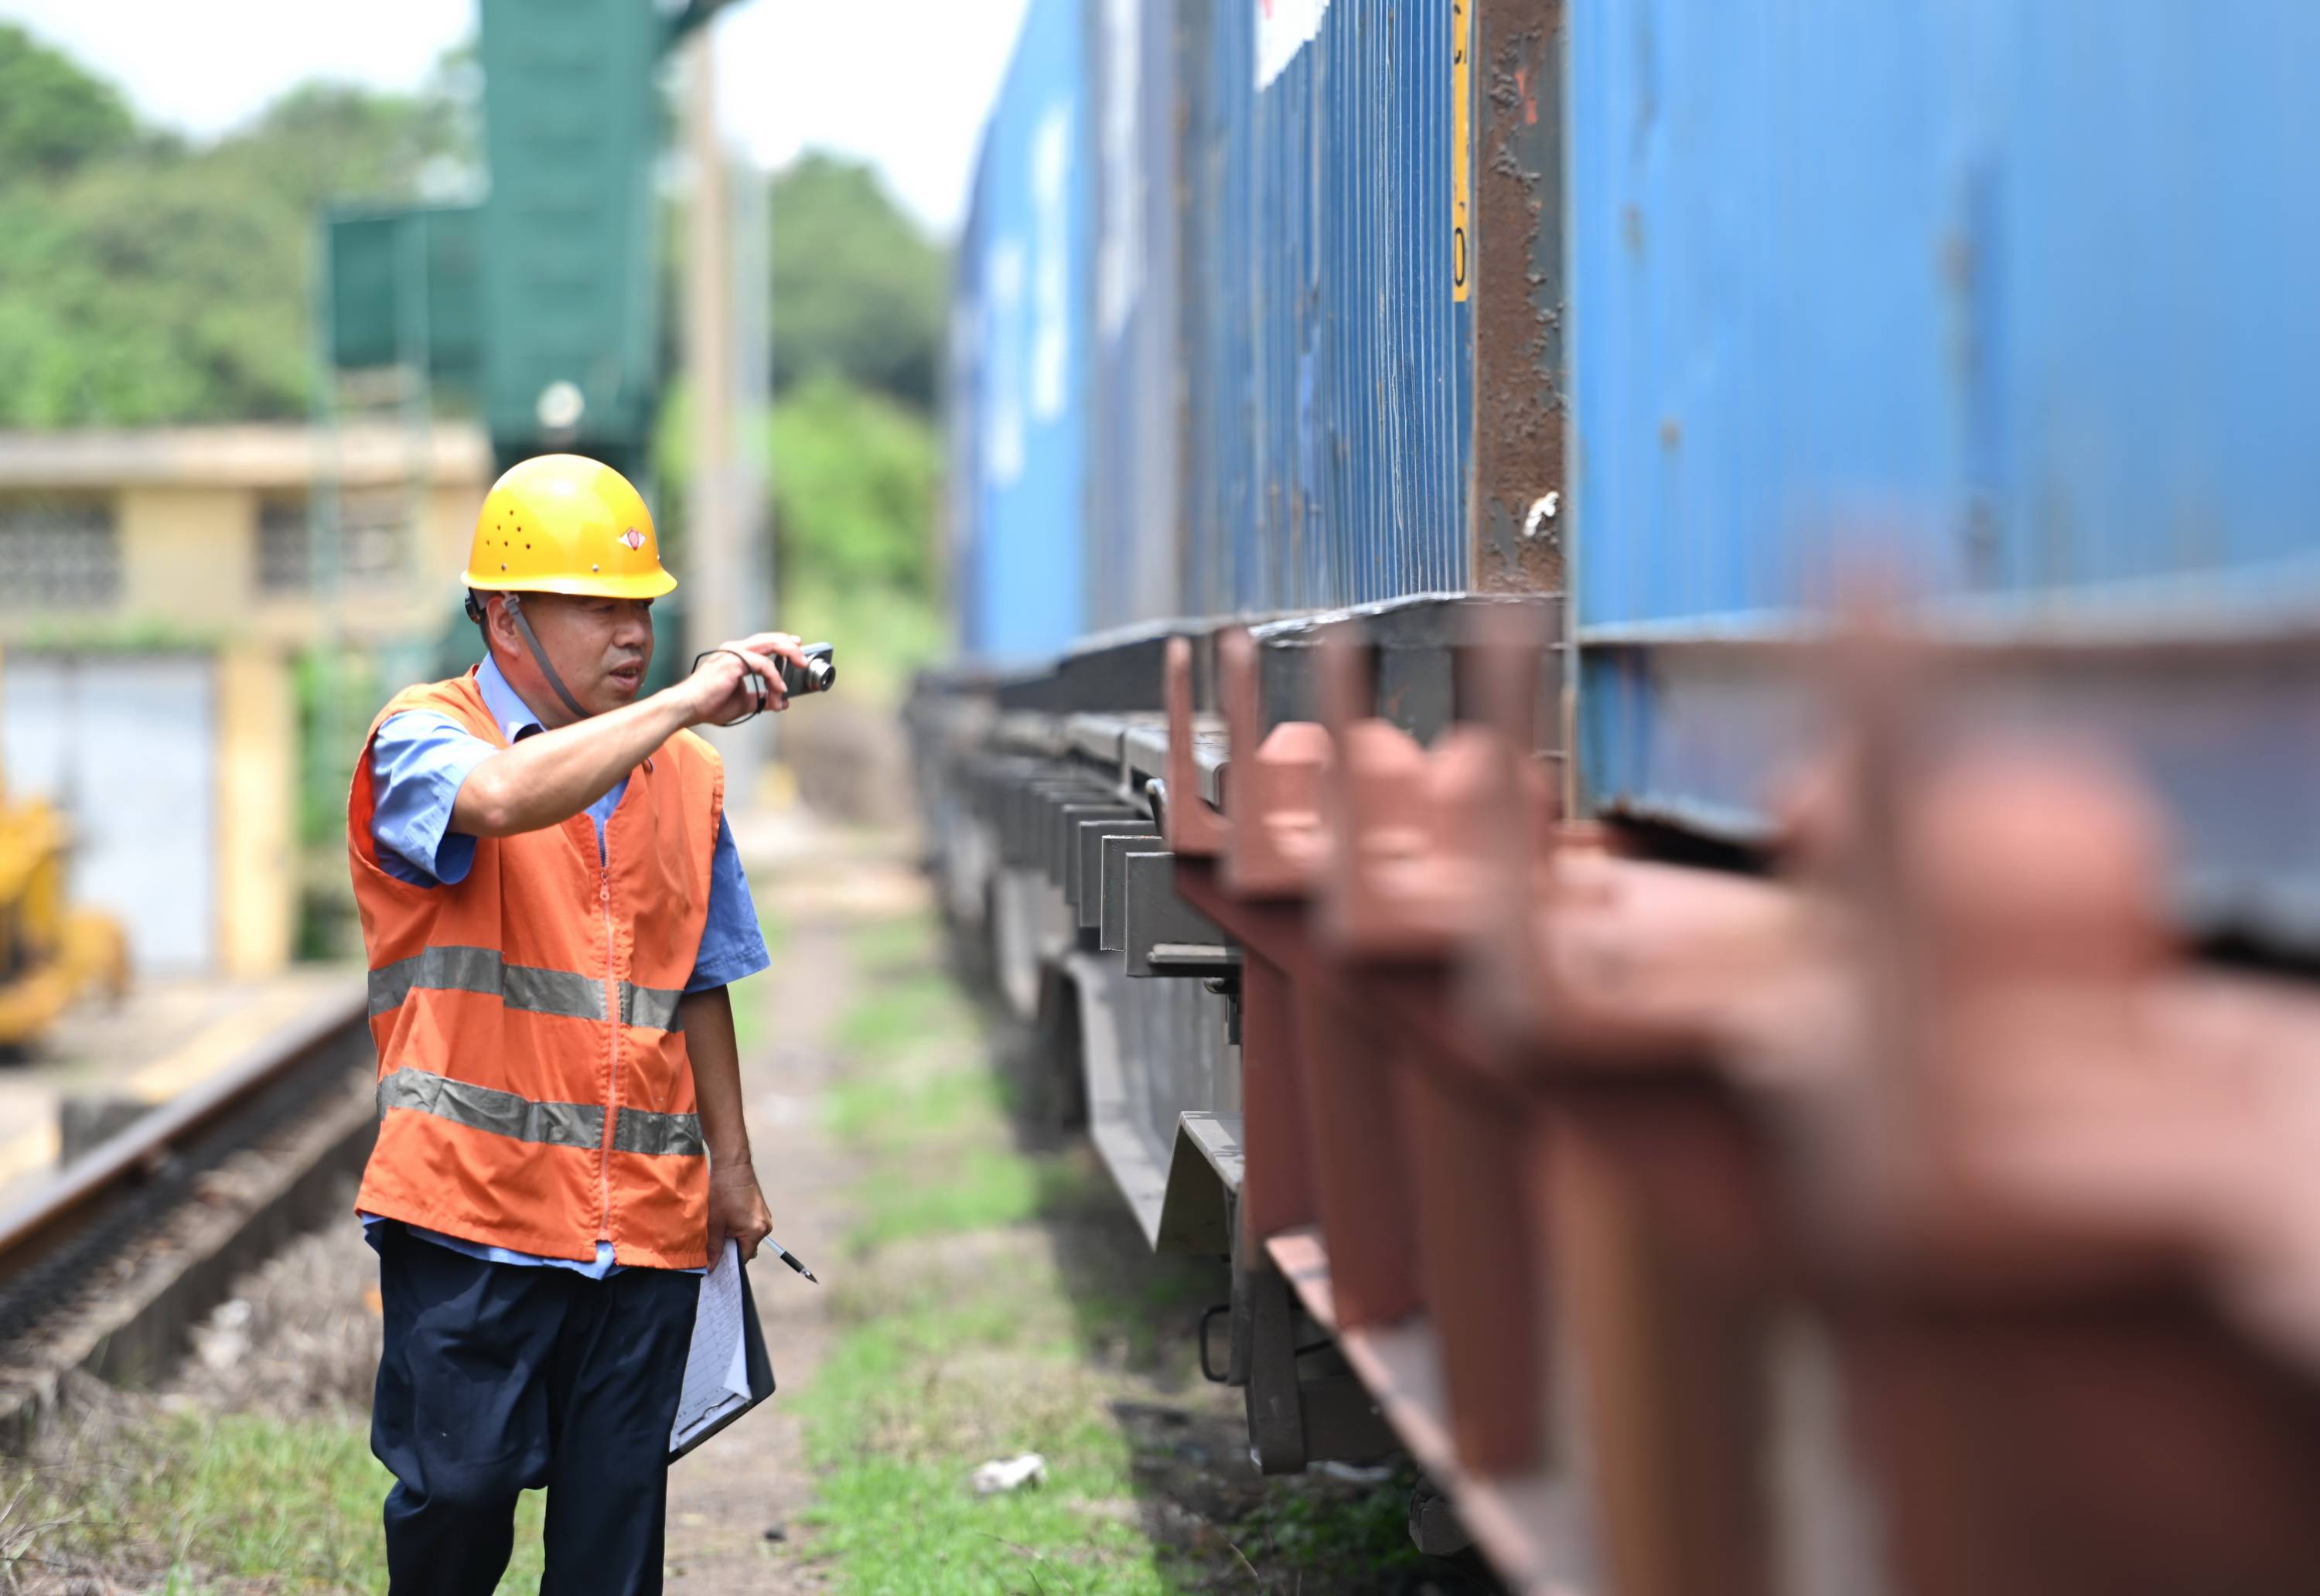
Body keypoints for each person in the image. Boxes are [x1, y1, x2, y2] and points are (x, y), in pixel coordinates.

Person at [346, 453, 811, 1596]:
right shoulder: (419, 739)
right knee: (455, 1503)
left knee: (614, 1542)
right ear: (506, 618)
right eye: (598, 607)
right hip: (472, 1213)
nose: (632, 634)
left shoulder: (685, 779)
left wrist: (734, 1174)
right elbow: (504, 800)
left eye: (642, 608)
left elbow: (702, 975)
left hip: (643, 1224)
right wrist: (687, 701)